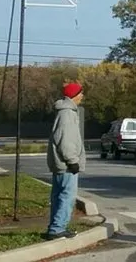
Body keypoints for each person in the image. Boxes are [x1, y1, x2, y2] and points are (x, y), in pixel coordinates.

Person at [44, 81, 86, 240]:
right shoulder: (67, 114)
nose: (83, 96)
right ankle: (57, 229)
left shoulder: (64, 112)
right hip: (66, 165)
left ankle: (55, 227)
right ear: (74, 95)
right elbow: (66, 140)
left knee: (58, 196)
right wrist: (72, 161)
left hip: (60, 164)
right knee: (66, 196)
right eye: (81, 93)